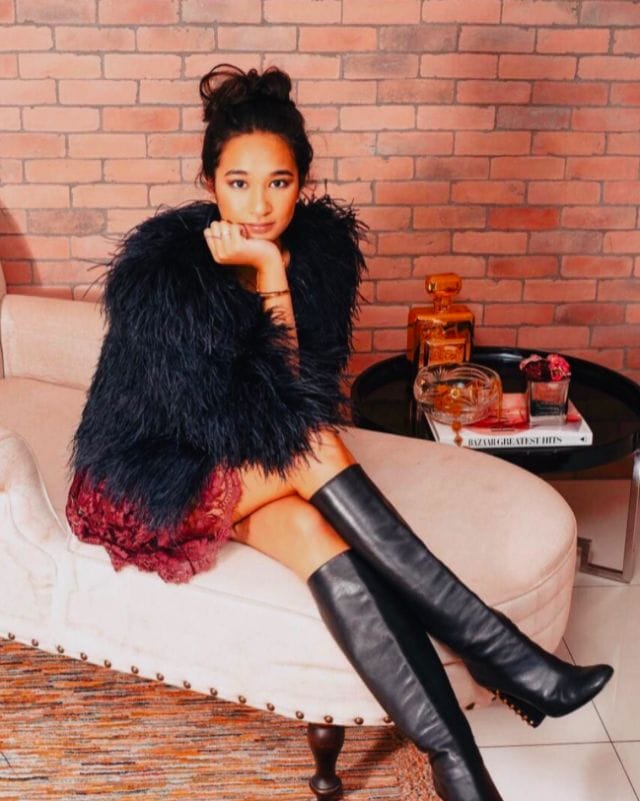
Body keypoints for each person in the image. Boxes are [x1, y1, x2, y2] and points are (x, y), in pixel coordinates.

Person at [66, 64, 613, 801]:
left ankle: (456, 763)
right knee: (312, 448)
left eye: (279, 183)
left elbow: (299, 396)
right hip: (147, 475)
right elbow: (254, 425)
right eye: (238, 183)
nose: (259, 205)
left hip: (240, 463)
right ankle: (501, 653)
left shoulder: (316, 258)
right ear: (208, 184)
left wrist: (270, 270)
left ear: (304, 183)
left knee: (315, 530)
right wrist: (263, 266)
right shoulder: (168, 280)